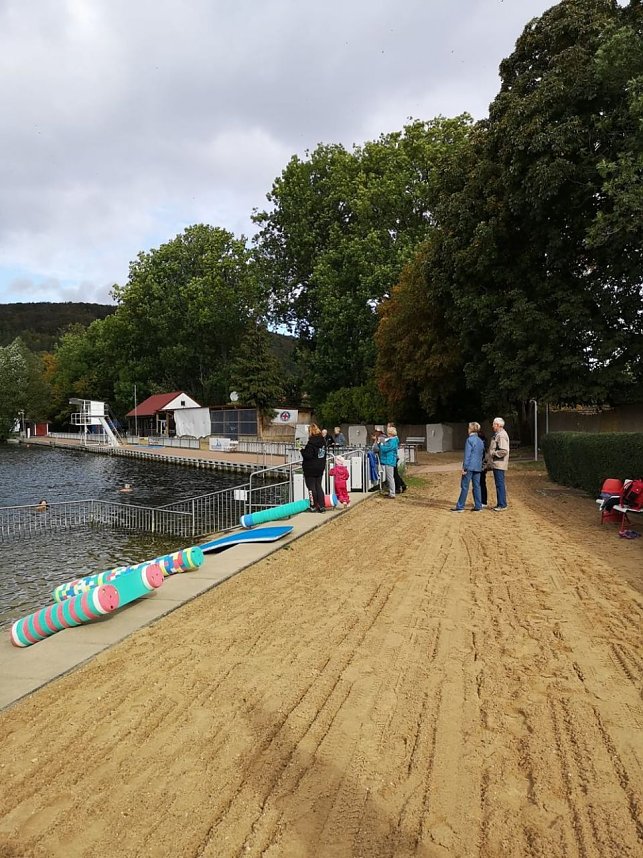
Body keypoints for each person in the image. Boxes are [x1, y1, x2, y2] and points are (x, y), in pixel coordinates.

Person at [450, 422, 485, 512]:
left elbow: (467, 455)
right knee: (477, 486)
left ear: (471, 429)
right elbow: (482, 455)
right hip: (478, 467)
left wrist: (464, 467)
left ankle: (460, 506)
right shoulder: (480, 441)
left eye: (469, 427)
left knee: (465, 486)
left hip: (469, 467)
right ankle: (478, 506)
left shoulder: (469, 440)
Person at [301, 424, 327, 513]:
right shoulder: (323, 442)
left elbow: (308, 455)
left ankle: (313, 506)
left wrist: (301, 450)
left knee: (311, 487)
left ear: (310, 432)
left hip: (310, 468)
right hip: (320, 467)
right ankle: (322, 506)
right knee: (318, 486)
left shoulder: (311, 443)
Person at [489, 417, 510, 510]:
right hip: (497, 463)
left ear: (497, 425)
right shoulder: (498, 434)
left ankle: (502, 504)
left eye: (493, 424)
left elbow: (504, 450)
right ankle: (500, 503)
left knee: (500, 484)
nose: (492, 426)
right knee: (498, 484)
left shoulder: (501, 435)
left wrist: (494, 454)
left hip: (499, 464)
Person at [375, 426, 399, 498]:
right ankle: (391, 492)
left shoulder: (393, 441)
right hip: (389, 459)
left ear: (390, 433)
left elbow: (386, 448)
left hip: (390, 460)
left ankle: (392, 493)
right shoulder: (392, 440)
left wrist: (381, 444)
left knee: (390, 477)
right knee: (389, 477)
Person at [387, 422, 407, 494]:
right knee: (395, 473)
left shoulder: (394, 439)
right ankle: (401, 485)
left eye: (388, 427)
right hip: (394, 457)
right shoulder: (395, 438)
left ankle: (399, 486)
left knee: (395, 474)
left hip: (393, 457)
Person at [477, 428, 489, 508]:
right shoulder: (485, 444)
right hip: (483, 467)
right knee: (482, 483)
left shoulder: (481, 445)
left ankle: (482, 501)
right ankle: (483, 501)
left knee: (480, 484)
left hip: (480, 467)